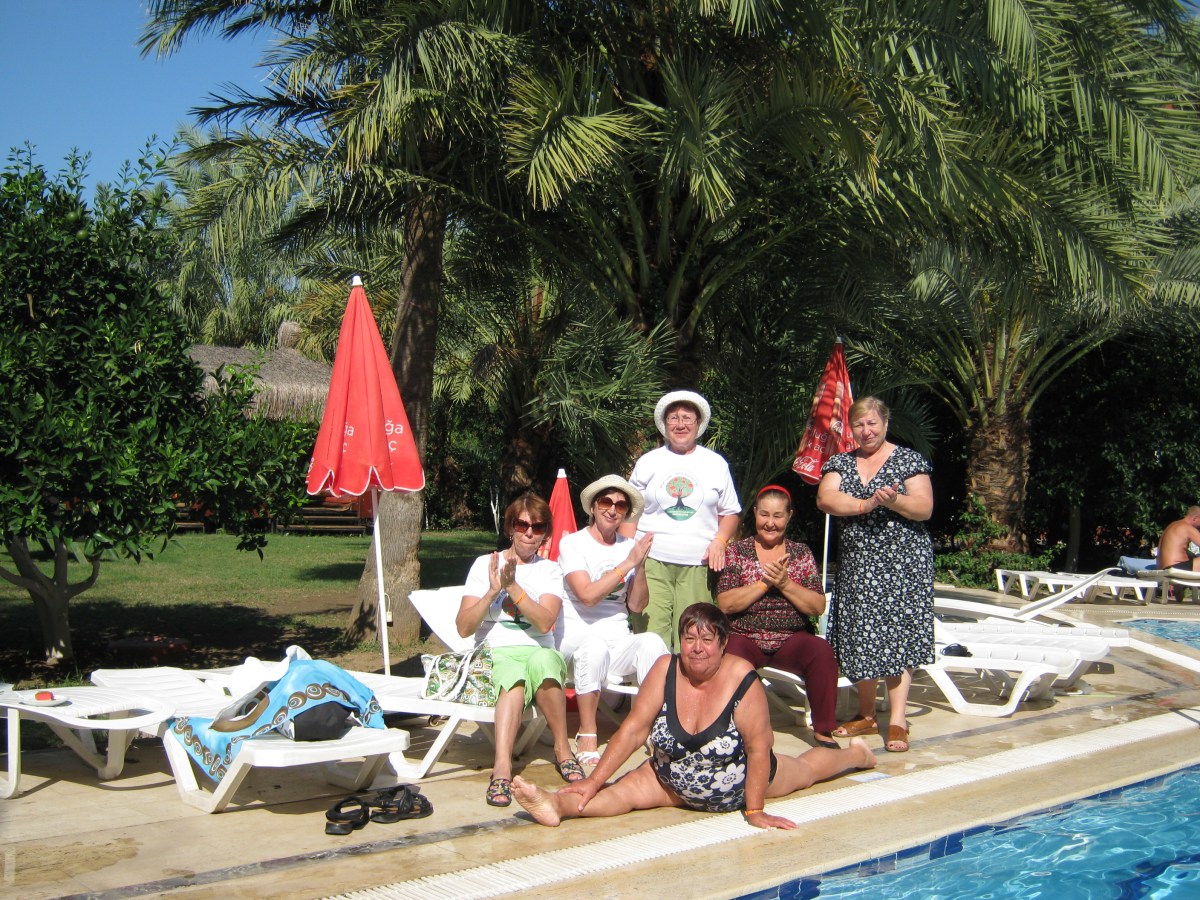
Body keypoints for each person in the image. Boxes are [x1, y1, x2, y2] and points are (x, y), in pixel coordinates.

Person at [511, 603, 875, 829]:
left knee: (808, 770)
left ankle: (855, 755)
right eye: (689, 639)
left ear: (723, 644)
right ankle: (555, 803)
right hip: (671, 780)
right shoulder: (665, 669)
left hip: (738, 785)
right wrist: (592, 781)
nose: (697, 649)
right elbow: (634, 730)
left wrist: (755, 810)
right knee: (616, 794)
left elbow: (759, 748)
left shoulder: (742, 678)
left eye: (707, 640)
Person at [816, 396, 935, 753]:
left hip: (902, 565)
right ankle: (866, 714)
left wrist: (894, 501)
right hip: (858, 564)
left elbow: (924, 507)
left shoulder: (908, 459)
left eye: (872, 423)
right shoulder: (840, 462)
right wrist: (864, 504)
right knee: (859, 635)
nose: (866, 431)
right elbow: (825, 499)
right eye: (859, 425)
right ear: (851, 428)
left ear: (885, 423)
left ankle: (897, 720)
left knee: (896, 636)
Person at [457, 493, 583, 808]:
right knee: (512, 675)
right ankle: (501, 767)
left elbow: (545, 622)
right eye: (522, 524)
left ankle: (562, 749)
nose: (529, 533)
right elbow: (463, 627)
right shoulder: (485, 565)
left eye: (537, 527)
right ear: (510, 528)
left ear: (545, 534)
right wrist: (492, 591)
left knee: (544, 662)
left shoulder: (550, 570)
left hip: (538, 649)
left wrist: (513, 587)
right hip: (497, 651)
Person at [715, 484, 840, 749]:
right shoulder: (737, 551)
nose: (770, 523)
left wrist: (785, 584)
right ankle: (731, 729)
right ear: (755, 514)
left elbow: (817, 606)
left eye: (777, 515)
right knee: (729, 654)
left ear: (789, 516)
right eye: (764, 515)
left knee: (821, 651)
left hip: (791, 638)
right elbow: (725, 603)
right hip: (745, 635)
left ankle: (824, 731)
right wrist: (764, 583)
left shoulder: (801, 553)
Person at [557, 475, 670, 766]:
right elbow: (587, 596)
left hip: (616, 642)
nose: (612, 509)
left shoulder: (628, 547)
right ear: (594, 507)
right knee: (594, 645)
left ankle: (652, 728)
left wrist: (640, 566)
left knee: (652, 643)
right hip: (574, 644)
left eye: (620, 506)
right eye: (606, 502)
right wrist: (628, 563)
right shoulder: (573, 544)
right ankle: (587, 733)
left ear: (626, 513)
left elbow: (636, 605)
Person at [624, 390, 741, 652]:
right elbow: (630, 510)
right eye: (673, 418)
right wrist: (628, 554)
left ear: (698, 424)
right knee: (651, 640)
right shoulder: (648, 462)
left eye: (687, 418)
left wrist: (720, 540)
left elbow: (730, 512)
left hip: (698, 565)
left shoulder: (715, 463)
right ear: (664, 424)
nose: (680, 424)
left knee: (693, 639)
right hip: (651, 563)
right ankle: (654, 680)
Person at [1156, 507, 1200, 571]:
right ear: (1195, 518)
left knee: (1191, 554)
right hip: (1175, 568)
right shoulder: (1187, 527)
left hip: (1161, 568)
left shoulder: (1172, 525)